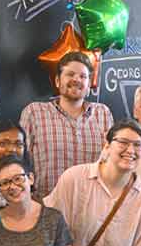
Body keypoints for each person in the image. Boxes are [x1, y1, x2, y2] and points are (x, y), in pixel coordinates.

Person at [45, 120, 141, 246]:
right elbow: (55, 232)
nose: (130, 150)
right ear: (107, 145)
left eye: (138, 145)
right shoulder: (74, 178)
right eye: (123, 142)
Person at [20, 51, 113, 198]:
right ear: (57, 81)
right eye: (70, 74)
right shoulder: (34, 112)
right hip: (46, 205)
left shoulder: (103, 114)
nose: (76, 79)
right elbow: (21, 162)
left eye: (83, 76)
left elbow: (110, 161)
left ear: (89, 84)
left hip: (92, 204)